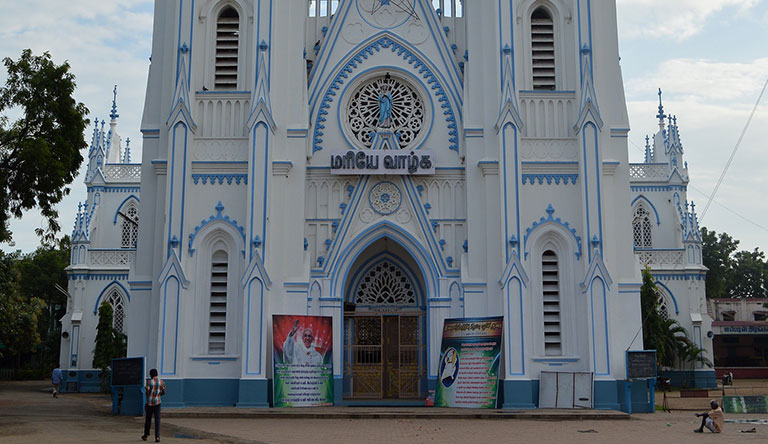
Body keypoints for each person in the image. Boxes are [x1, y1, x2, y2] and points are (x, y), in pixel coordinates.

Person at [142, 368, 165, 442]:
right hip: (157, 403)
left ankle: (145, 435)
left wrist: (149, 396)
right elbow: (163, 392)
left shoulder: (149, 382)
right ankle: (157, 436)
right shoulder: (161, 382)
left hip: (149, 403)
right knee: (157, 420)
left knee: (148, 419)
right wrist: (158, 395)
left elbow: (147, 392)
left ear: (151, 375)